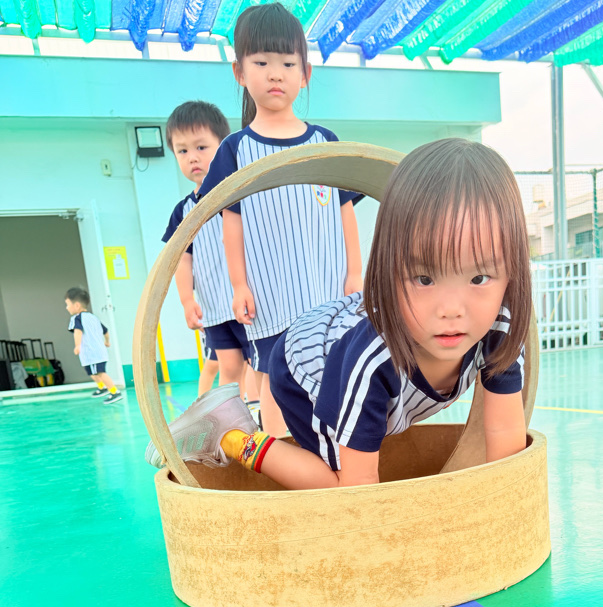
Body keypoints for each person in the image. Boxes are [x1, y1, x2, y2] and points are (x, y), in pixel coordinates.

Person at [146, 138, 531, 490]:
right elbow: (358, 490)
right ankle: (233, 435)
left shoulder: (500, 326)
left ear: (510, 273)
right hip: (308, 368)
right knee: (334, 484)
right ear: (389, 269)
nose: (451, 310)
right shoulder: (371, 360)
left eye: (479, 278)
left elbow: (506, 440)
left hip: (347, 341)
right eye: (424, 278)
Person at [197, 2, 363, 435]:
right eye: (262, 63)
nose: (276, 74)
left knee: (335, 367)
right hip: (271, 294)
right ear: (239, 71)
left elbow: (345, 211)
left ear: (305, 73)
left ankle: (336, 445)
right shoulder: (235, 150)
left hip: (328, 289)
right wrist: (238, 285)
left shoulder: (324, 143)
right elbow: (230, 223)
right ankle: (278, 447)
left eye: (288, 64)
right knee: (274, 377)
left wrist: (354, 273)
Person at [162, 100, 256, 399]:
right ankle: (230, 419)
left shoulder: (242, 194)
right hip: (215, 309)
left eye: (201, 147)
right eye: (182, 151)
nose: (193, 157)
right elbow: (182, 260)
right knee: (229, 367)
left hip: (249, 302)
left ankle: (259, 417)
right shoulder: (183, 211)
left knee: (257, 366)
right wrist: (187, 300)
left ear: (223, 146)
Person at [65, 288, 123, 404]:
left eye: (68, 304)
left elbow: (77, 332)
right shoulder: (94, 318)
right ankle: (102, 388)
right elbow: (105, 331)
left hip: (91, 352)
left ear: (77, 305)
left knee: (100, 372)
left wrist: (77, 346)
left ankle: (114, 392)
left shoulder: (77, 318)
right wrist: (107, 341)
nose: (67, 308)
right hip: (97, 351)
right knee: (92, 372)